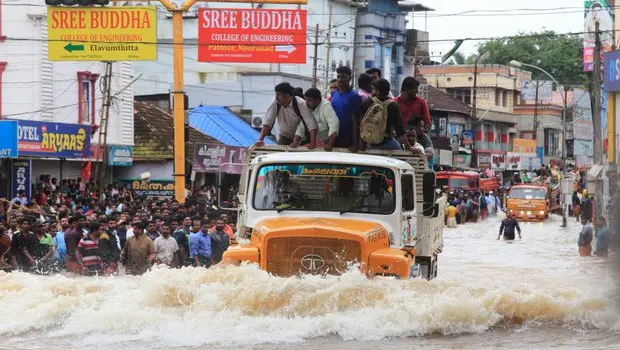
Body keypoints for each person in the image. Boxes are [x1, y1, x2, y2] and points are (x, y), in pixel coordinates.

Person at [256, 82, 318, 148]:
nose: (276, 97)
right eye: (276, 95)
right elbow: (268, 122)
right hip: (284, 136)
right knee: (280, 155)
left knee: (300, 156)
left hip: (301, 138)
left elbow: (311, 124)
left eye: (279, 95)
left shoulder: (300, 104)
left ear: (287, 95)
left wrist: (312, 143)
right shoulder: (275, 103)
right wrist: (260, 139)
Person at [360, 79, 414, 151]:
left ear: (377, 91)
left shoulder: (367, 103)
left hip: (368, 142)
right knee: (402, 157)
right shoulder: (393, 105)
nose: (372, 91)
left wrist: (361, 143)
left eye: (373, 89)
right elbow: (400, 130)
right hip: (386, 142)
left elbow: (360, 123)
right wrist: (408, 146)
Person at [330, 66, 362, 149]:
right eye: (338, 77)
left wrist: (355, 144)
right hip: (333, 136)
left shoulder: (354, 96)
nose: (340, 79)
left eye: (344, 77)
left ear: (350, 78)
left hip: (348, 139)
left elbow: (356, 121)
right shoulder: (334, 93)